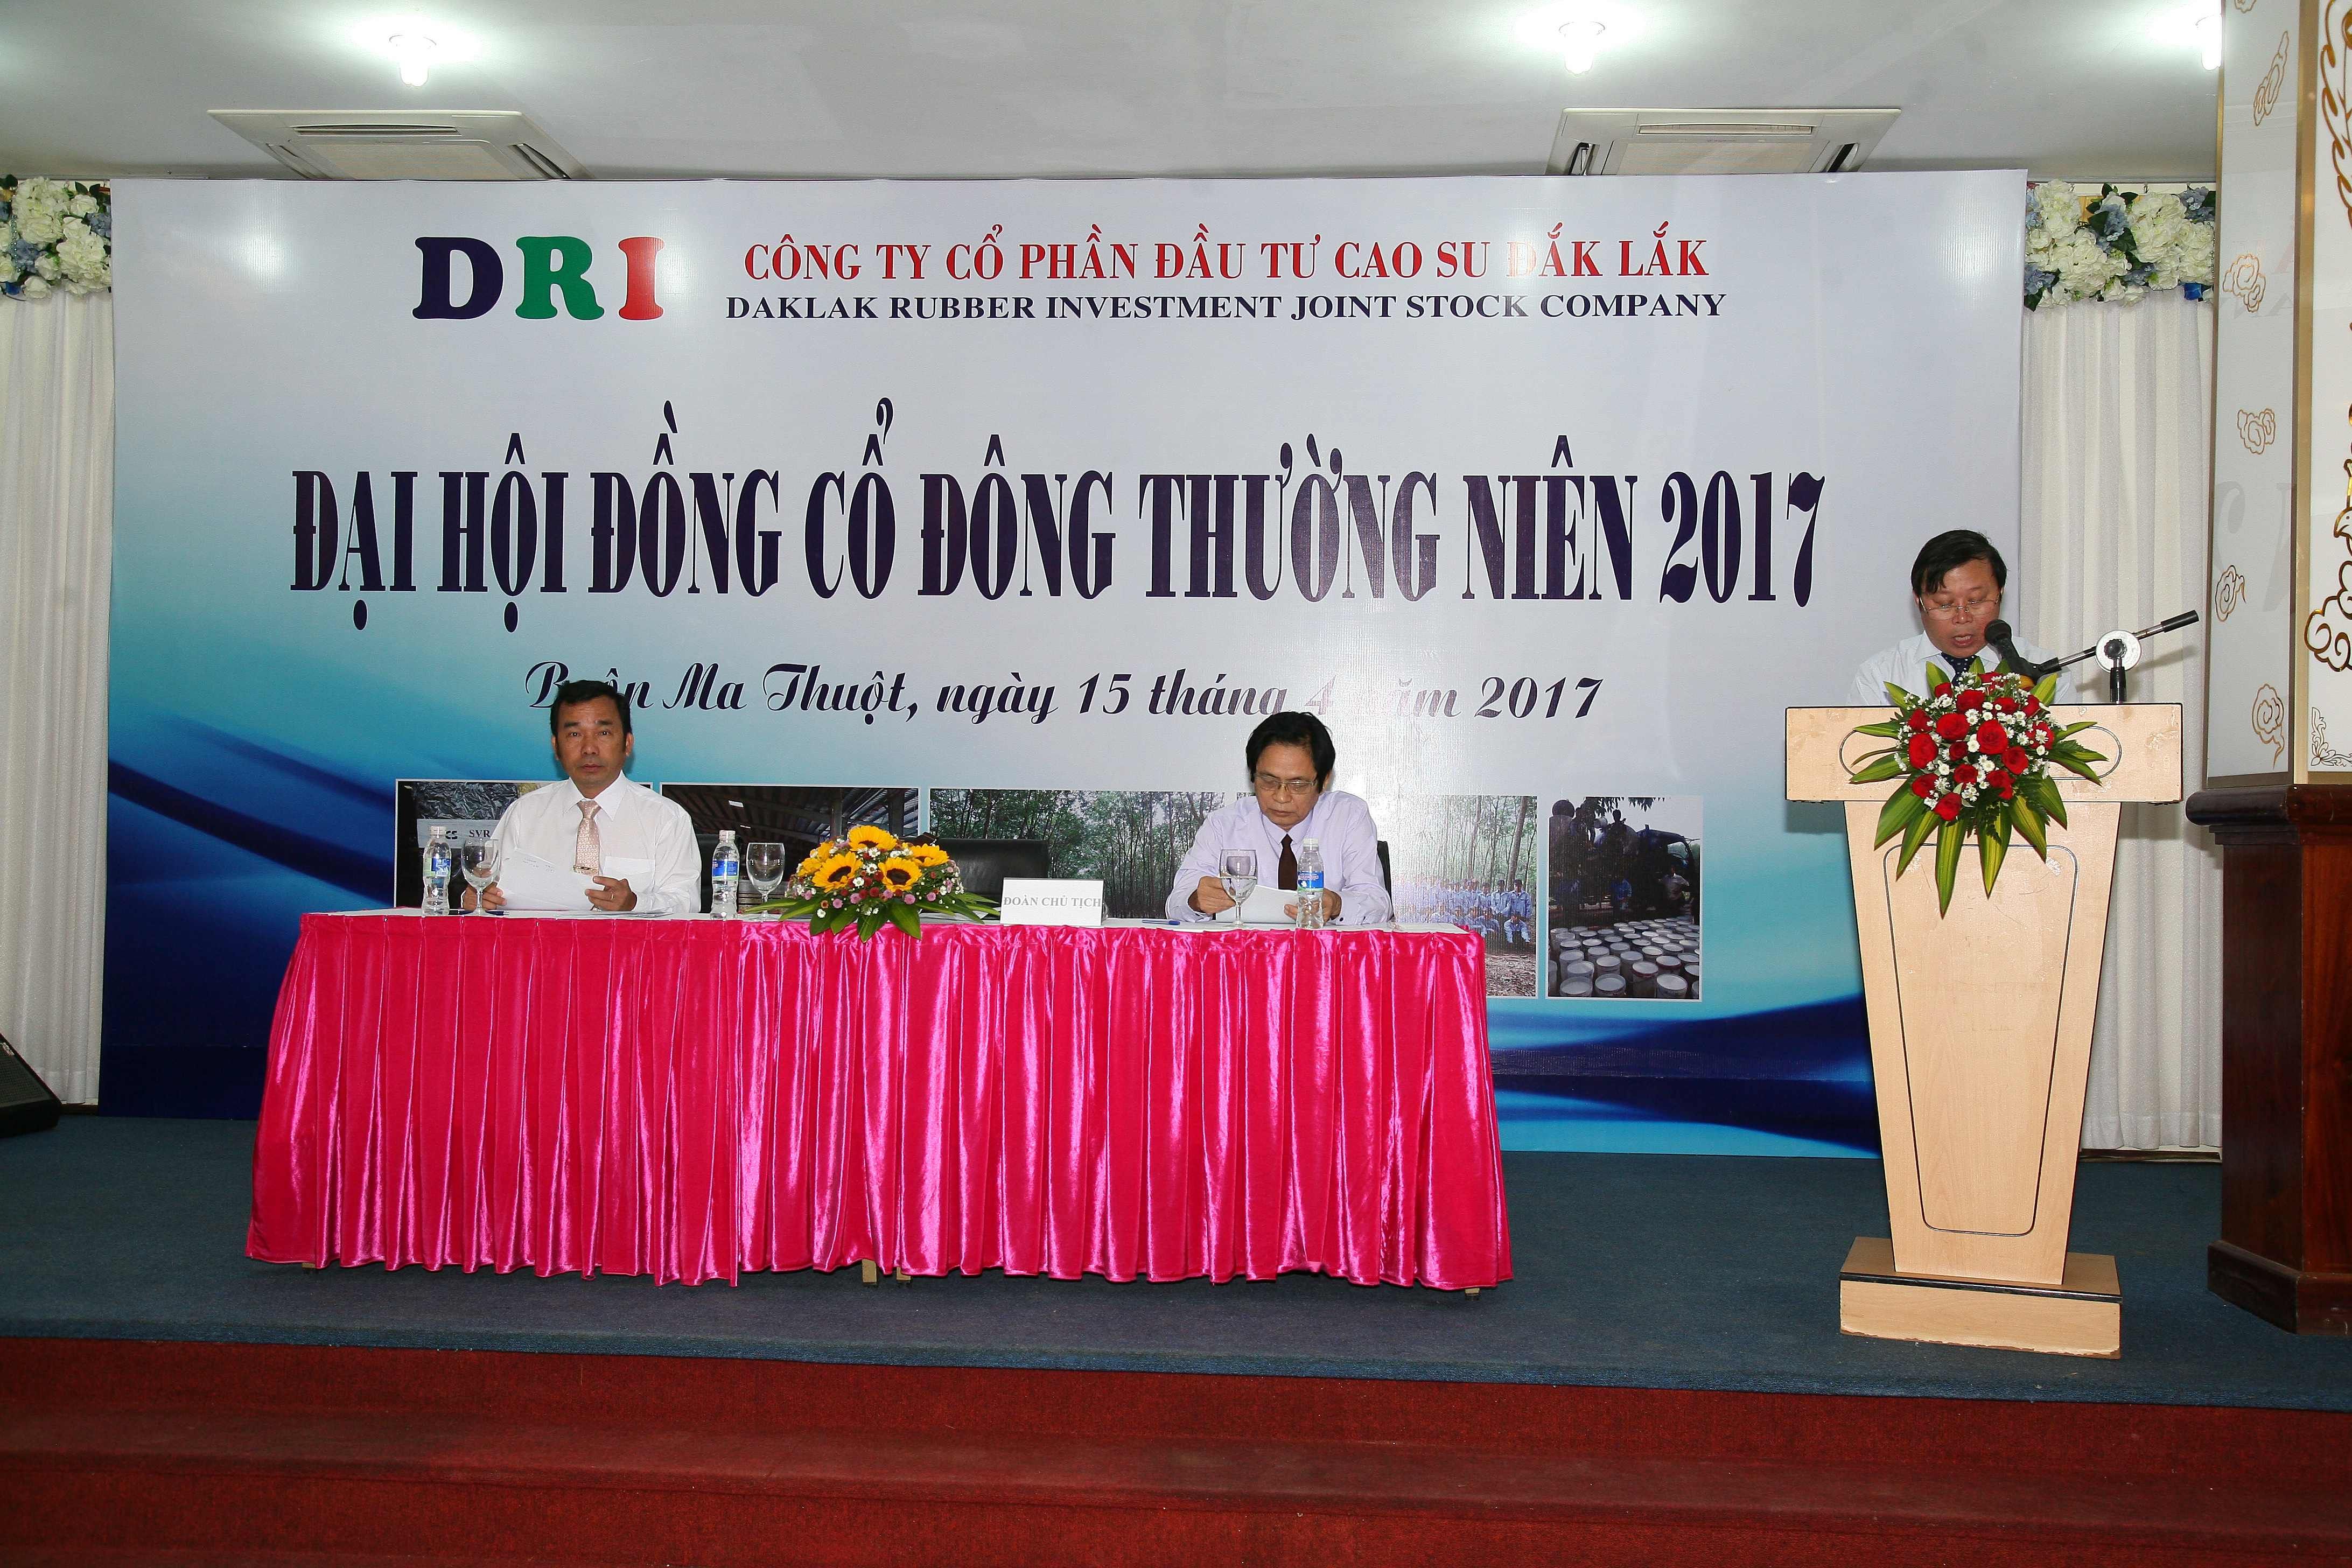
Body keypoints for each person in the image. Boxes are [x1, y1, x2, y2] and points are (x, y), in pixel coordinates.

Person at [474, 678, 702, 914]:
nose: (589, 749)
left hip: (628, 939)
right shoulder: (525, 813)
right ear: (556, 746)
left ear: (627, 743)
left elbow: (686, 902)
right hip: (542, 938)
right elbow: (485, 884)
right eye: (574, 734)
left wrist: (636, 904)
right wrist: (478, 899)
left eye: (603, 733)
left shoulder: (666, 817)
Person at [1167, 710, 1392, 925]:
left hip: (1325, 949)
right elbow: (1177, 904)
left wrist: (1337, 905)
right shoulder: (1224, 824)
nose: (1281, 797)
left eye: (1298, 785)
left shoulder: (1348, 815)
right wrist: (1196, 901)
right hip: (1248, 949)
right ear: (1252, 775)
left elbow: (1377, 902)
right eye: (1268, 781)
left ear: (1324, 780)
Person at [1851, 530, 2054, 703]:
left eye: (1976, 601)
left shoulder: (2044, 672)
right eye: (1945, 604)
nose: (1962, 618)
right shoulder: (1881, 676)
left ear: (2000, 594)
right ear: (1919, 601)